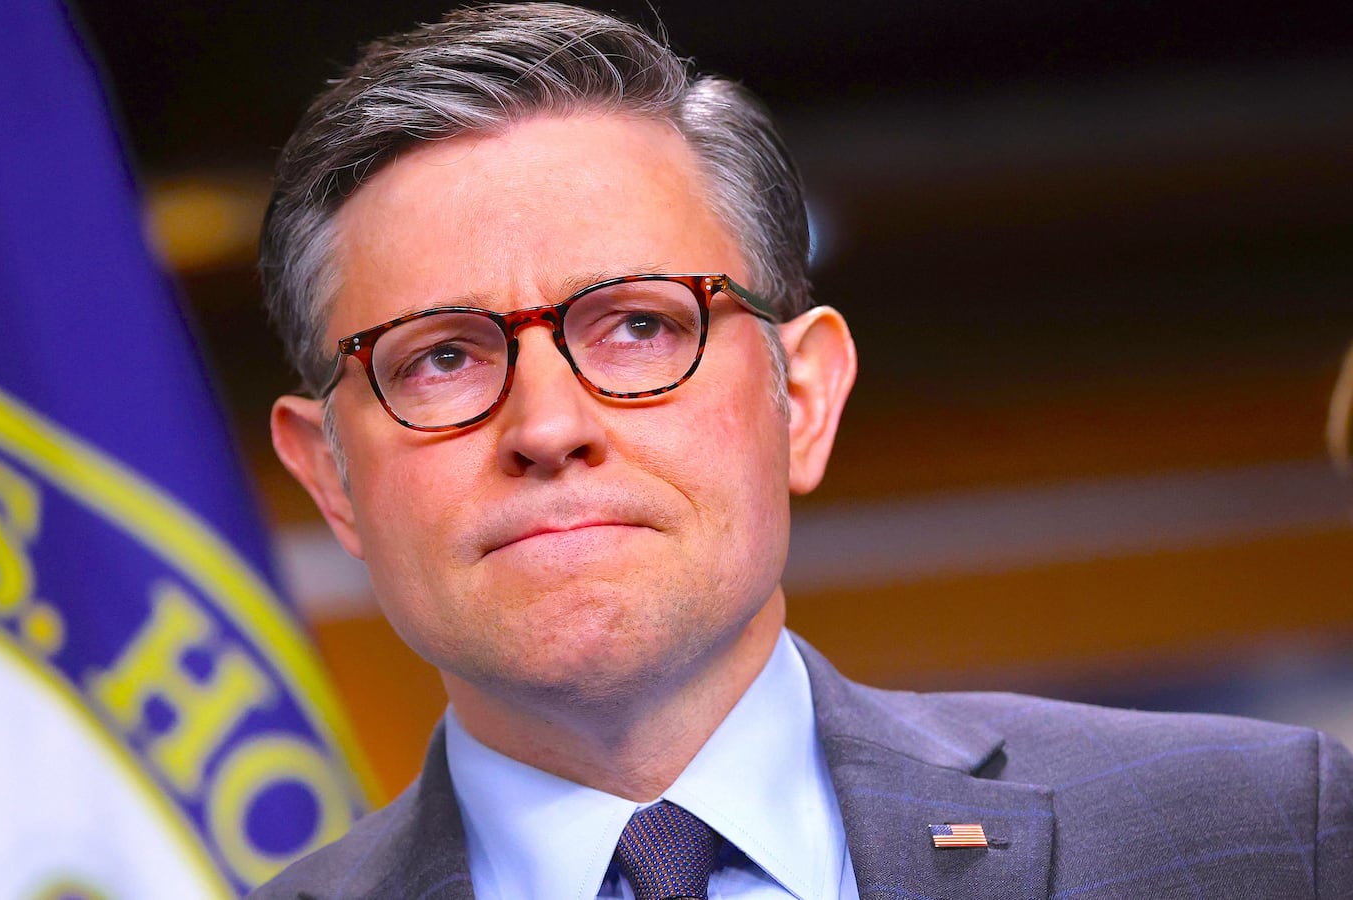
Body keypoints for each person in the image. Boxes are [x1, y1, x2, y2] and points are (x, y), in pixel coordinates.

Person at [252, 4, 1352, 898]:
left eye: (640, 325)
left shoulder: (1271, 837)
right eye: (440, 358)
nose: (548, 427)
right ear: (329, 478)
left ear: (806, 398)